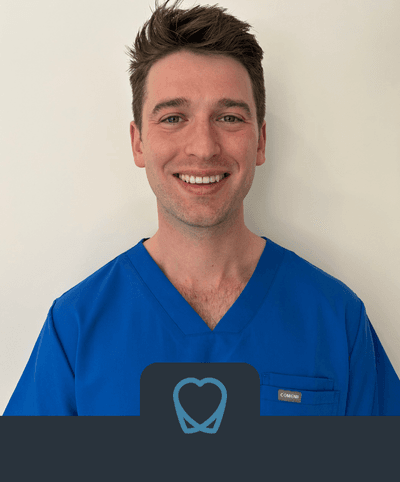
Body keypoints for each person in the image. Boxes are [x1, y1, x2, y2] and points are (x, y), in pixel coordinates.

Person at [4, 0, 400, 416]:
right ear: (138, 143)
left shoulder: (336, 319)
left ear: (260, 141)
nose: (203, 148)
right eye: (173, 118)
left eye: (229, 118)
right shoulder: (76, 328)